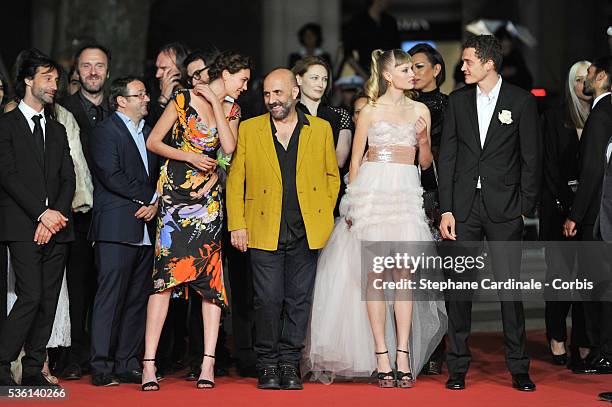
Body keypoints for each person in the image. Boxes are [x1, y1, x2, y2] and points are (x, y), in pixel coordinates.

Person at [304, 49, 446, 387]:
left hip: (406, 196)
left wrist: (424, 139)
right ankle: (381, 354)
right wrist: (351, 203)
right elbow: (354, 162)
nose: (411, 73)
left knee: (404, 281)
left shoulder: (420, 109)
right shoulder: (368, 111)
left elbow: (425, 164)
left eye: (413, 68)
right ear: (386, 75)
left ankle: (403, 354)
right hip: (373, 194)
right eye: (404, 68)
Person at [142, 52, 251, 391]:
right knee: (165, 281)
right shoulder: (181, 100)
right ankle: (148, 364)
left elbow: (229, 148)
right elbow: (153, 142)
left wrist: (218, 103)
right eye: (242, 79)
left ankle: (207, 365)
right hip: (176, 199)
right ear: (227, 73)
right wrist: (188, 155)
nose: (246, 86)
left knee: (210, 283)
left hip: (208, 203)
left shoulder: (232, 109)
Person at [226, 68, 340, 390]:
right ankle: (267, 363)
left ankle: (290, 362)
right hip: (262, 228)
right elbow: (236, 181)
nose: (271, 100)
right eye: (266, 94)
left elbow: (333, 177)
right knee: (268, 300)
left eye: (277, 93)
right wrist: (237, 223)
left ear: (294, 93)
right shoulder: (250, 129)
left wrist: (323, 213)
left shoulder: (319, 130)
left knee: (299, 300)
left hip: (306, 229)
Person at [438, 35, 540, 391]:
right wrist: (447, 209)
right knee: (459, 290)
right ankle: (457, 367)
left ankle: (519, 367)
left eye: (467, 61)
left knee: (509, 290)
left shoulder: (522, 101)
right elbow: (447, 158)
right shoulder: (457, 101)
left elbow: (531, 159)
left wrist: (523, 208)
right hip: (463, 209)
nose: (462, 67)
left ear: (488, 63)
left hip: (504, 209)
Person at [0, 48, 75, 387]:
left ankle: (33, 369)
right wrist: (41, 214)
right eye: (47, 78)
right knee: (30, 296)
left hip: (57, 226)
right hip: (21, 224)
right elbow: (8, 175)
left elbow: (68, 178)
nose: (54, 85)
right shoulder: (6, 125)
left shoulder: (57, 129)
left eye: (56, 80)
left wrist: (55, 215)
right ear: (28, 80)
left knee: (47, 299)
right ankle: (2, 364)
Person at [88, 76, 159, 387]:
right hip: (116, 227)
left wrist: (156, 203)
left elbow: (157, 176)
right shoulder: (105, 131)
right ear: (121, 100)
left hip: (146, 226)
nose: (146, 98)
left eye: (145, 93)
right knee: (109, 297)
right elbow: (110, 175)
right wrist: (150, 197)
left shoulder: (150, 133)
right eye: (139, 94)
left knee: (137, 299)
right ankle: (100, 364)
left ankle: (126, 361)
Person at [58, 43, 111, 381]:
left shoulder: (118, 110)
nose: (93, 72)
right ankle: (71, 355)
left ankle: (101, 353)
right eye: (87, 66)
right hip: (76, 214)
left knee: (105, 287)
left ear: (108, 70)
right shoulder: (62, 111)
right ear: (77, 71)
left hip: (112, 214)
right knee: (76, 287)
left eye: (100, 66)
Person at [540, 60, 592, 369]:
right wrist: (567, 204)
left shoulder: (603, 116)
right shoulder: (553, 118)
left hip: (589, 212)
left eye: (587, 80)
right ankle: (557, 336)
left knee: (588, 280)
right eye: (577, 81)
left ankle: (584, 340)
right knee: (559, 278)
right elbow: (548, 168)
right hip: (559, 209)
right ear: (569, 84)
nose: (583, 86)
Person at [564, 56, 612, 375]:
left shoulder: (601, 112)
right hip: (603, 213)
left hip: (598, 216)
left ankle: (603, 351)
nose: (586, 80)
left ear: (603, 76)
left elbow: (593, 169)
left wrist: (575, 215)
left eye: (591, 74)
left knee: (599, 287)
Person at [407, 42, 449, 375]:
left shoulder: (448, 106)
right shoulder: (403, 104)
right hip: (404, 188)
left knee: (436, 271)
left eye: (420, 66)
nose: (414, 73)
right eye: (409, 67)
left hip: (435, 191)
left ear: (436, 69)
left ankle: (437, 346)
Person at [293, 56, 353, 214]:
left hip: (329, 191)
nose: (321, 84)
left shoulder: (339, 114)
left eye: (324, 79)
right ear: (299, 79)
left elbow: (339, 160)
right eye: (314, 78)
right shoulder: (289, 115)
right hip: (295, 191)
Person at [341, 0, 400, 79]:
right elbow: (348, 54)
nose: (389, 2)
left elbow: (397, 51)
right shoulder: (357, 22)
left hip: (389, 74)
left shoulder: (390, 22)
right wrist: (365, 77)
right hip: (366, 73)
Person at [147, 42, 191, 127]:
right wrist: (163, 100)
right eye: (157, 68)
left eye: (164, 68)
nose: (157, 74)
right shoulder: (152, 94)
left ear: (181, 69)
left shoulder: (195, 95)